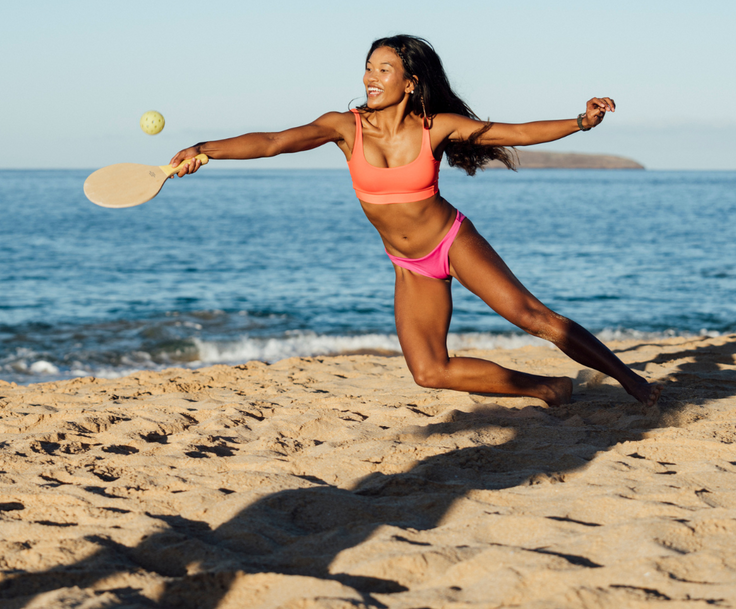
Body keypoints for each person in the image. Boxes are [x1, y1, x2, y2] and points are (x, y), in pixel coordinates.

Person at [170, 35, 662, 407]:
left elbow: (516, 132)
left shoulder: (437, 127)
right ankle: (549, 389)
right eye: (368, 67)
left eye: (385, 68)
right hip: (408, 264)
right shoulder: (344, 127)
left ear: (410, 82)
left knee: (533, 318)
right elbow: (274, 141)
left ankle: (632, 381)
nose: (371, 77)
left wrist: (581, 121)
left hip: (451, 241)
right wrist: (205, 149)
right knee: (429, 371)